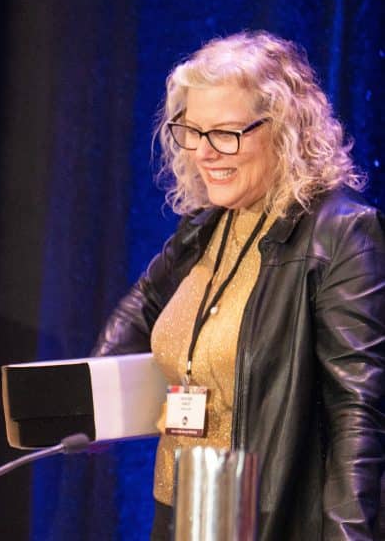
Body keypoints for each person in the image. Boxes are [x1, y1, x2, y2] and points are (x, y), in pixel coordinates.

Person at [92, 31, 384, 540]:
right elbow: (142, 311)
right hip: (178, 512)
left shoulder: (341, 234)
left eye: (226, 133)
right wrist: (86, 402)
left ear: (286, 131)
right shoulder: (207, 228)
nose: (205, 153)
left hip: (266, 521)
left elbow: (359, 412)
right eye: (191, 131)